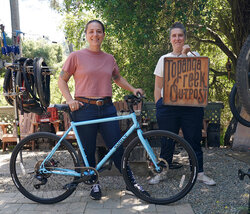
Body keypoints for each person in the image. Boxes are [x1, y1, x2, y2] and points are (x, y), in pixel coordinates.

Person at [58, 20, 148, 200]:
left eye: (99, 31)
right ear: (86, 34)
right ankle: (93, 184)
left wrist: (133, 89)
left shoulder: (109, 58)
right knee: (88, 149)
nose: (95, 35)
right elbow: (62, 80)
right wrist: (70, 100)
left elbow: (117, 78)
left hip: (107, 108)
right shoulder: (76, 56)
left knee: (117, 147)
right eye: (91, 31)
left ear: (103, 35)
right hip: (83, 109)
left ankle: (130, 184)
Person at [151, 22, 216, 186]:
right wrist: (159, 104)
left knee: (193, 140)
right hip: (167, 107)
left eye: (180, 35)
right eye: (174, 35)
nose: (177, 38)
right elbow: (158, 86)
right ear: (170, 39)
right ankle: (162, 172)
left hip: (191, 107)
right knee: (167, 141)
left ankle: (199, 173)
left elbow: (200, 75)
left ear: (185, 38)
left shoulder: (195, 55)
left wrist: (186, 53)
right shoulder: (163, 59)